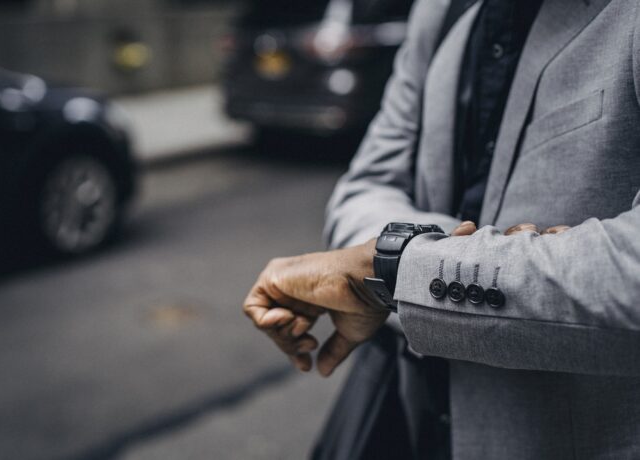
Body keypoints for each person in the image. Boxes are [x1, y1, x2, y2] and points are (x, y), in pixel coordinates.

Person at [242, 0, 640, 458]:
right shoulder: (441, 11)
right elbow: (364, 187)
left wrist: (388, 271)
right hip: (419, 425)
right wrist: (449, 263)